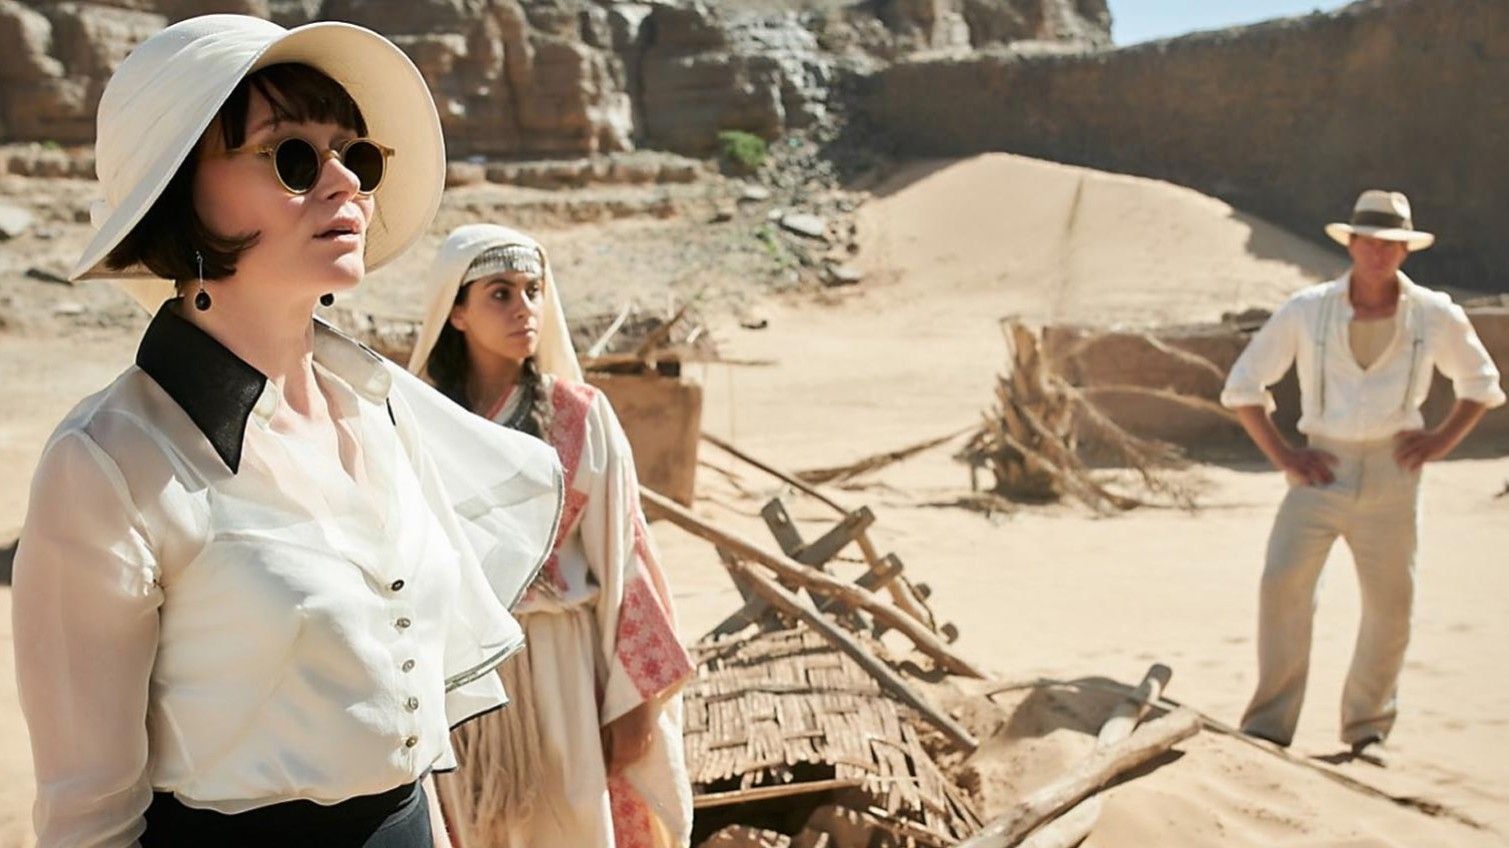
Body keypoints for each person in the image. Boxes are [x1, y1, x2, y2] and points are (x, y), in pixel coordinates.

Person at [11, 16, 563, 847]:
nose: (345, 184)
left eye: (356, 156)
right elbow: (87, 818)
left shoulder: (378, 408)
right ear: (178, 193)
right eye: (292, 156)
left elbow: (401, 732)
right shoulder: (108, 462)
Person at [408, 224, 695, 848]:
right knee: (476, 825)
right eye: (500, 294)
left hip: (562, 665)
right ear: (456, 312)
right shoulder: (420, 419)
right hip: (465, 671)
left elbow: (626, 556)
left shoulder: (580, 414)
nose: (524, 308)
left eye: (533, 291)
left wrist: (635, 704)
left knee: (569, 823)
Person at [1221, 189, 1505, 755]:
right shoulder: (1307, 309)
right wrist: (1286, 456)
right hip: (1319, 470)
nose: (1379, 253)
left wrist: (1439, 441)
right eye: (1370, 242)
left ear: (1406, 251)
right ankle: (1268, 726)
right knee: (1282, 584)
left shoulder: (1433, 313)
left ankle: (1367, 728)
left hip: (1394, 475)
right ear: (1350, 243)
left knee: (1390, 605)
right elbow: (1242, 387)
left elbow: (1481, 384)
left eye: (1391, 245)